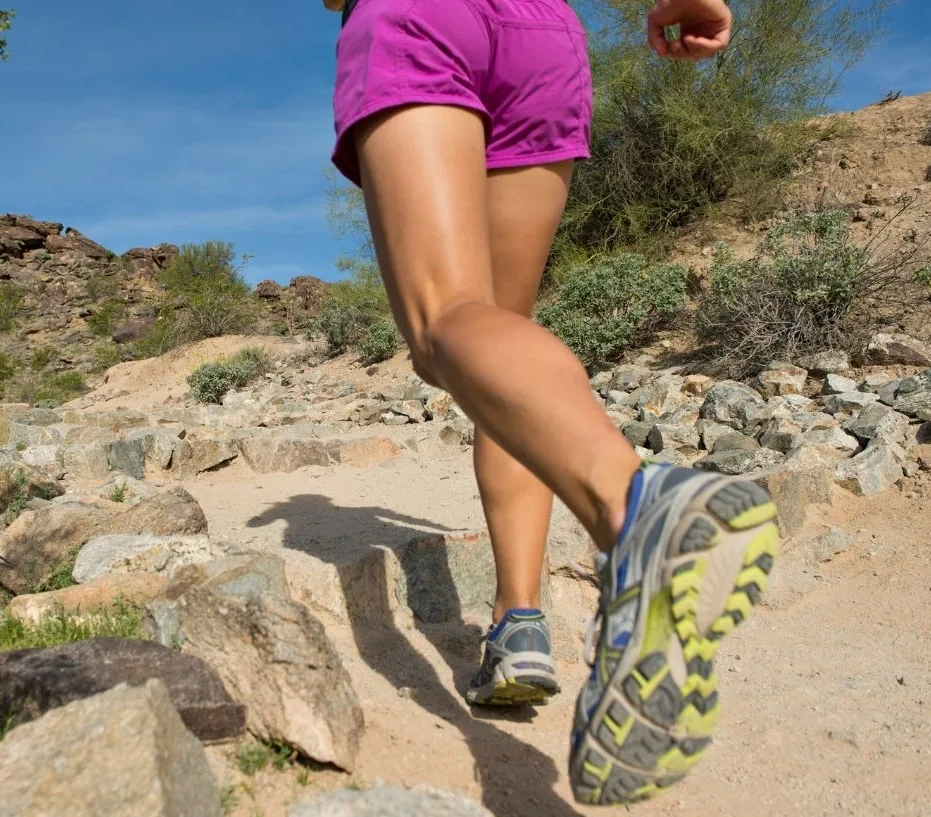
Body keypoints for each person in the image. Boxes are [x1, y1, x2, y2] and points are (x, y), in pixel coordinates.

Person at [321, 0, 780, 806]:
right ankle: (519, 622)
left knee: (447, 324)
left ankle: (639, 507)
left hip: (421, 19)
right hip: (542, 32)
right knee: (501, 334)